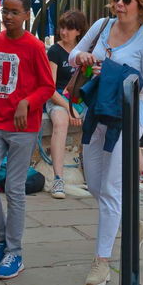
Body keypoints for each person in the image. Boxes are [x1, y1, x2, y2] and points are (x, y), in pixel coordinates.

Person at [68, 0, 143, 285]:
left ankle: (102, 263)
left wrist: (115, 73)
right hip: (98, 111)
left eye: (126, 0)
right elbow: (72, 55)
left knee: (109, 188)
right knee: (93, 182)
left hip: (127, 119)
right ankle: (132, 225)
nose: (119, 5)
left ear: (140, 6)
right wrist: (81, 57)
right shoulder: (101, 27)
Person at [0, 0, 55, 282]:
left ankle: (15, 251)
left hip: (23, 127)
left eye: (14, 12)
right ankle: (0, 239)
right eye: (4, 11)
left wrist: (27, 102)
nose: (8, 17)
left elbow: (48, 86)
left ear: (25, 15)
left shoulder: (35, 47)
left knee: (15, 188)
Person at [45, 10, 88, 197]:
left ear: (78, 31)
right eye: (62, 27)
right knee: (60, 122)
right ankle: (58, 179)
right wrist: (69, 109)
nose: (64, 32)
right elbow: (50, 88)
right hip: (59, 99)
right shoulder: (55, 51)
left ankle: (94, 174)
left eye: (69, 29)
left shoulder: (84, 51)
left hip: (81, 99)